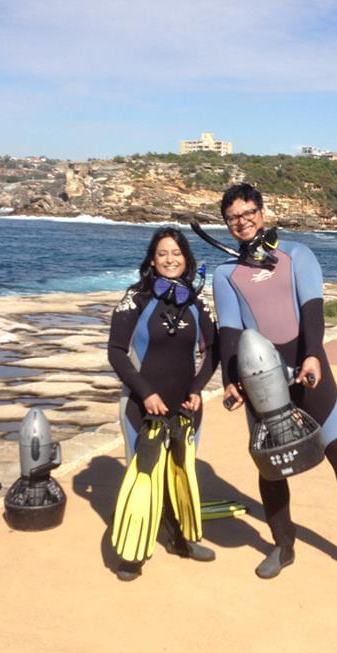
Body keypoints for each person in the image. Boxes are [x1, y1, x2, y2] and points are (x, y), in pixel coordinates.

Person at [210, 183, 337, 580]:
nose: (243, 221)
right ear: (227, 224)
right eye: (233, 217)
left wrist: (312, 354)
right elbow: (230, 333)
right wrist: (229, 379)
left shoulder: (296, 255)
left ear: (263, 213)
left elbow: (312, 311)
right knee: (272, 468)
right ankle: (283, 547)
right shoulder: (226, 274)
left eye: (249, 212)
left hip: (310, 368)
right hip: (261, 380)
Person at [107, 227, 219, 581]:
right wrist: (145, 392)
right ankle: (132, 552)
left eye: (177, 253)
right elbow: (116, 352)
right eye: (162, 254)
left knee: (182, 474)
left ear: (187, 258)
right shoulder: (135, 299)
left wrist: (199, 388)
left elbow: (212, 350)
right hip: (142, 404)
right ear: (152, 260)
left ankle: (183, 539)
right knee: (143, 479)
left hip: (186, 405)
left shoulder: (196, 301)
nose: (170, 259)